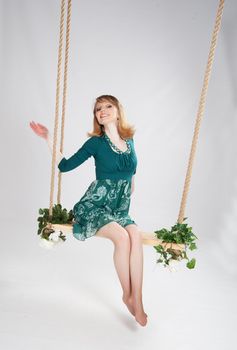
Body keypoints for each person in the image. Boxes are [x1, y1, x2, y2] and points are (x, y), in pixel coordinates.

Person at [29, 94, 147, 326]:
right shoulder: (95, 143)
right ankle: (127, 295)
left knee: (135, 234)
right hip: (95, 206)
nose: (102, 111)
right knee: (122, 238)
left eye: (107, 106)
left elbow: (132, 170)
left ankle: (139, 299)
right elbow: (65, 166)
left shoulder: (129, 140)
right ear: (96, 117)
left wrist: (130, 183)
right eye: (97, 109)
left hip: (119, 208)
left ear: (118, 110)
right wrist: (48, 138)